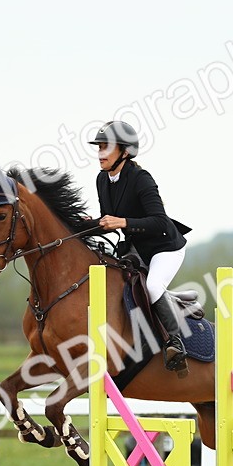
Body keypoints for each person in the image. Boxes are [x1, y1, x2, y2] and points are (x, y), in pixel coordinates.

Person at [85, 120, 191, 375]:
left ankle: (173, 342)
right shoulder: (102, 180)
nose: (100, 153)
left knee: (153, 286)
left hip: (165, 247)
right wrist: (85, 225)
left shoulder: (141, 179)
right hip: (135, 248)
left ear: (124, 151)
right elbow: (107, 219)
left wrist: (122, 222)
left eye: (106, 148)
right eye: (98, 147)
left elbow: (159, 220)